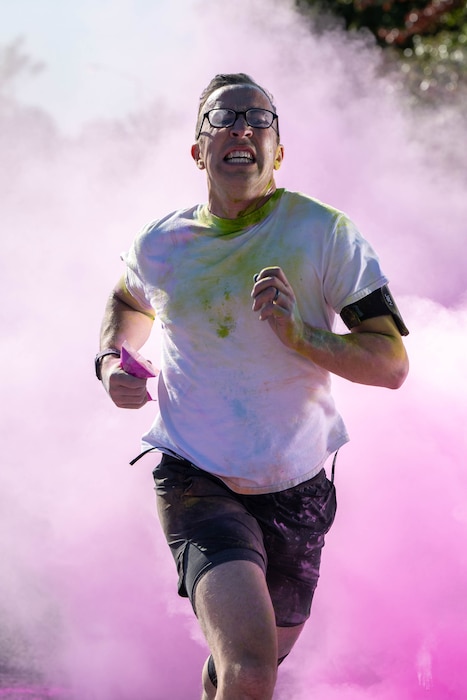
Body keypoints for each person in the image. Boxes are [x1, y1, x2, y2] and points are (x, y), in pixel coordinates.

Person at [96, 73, 409, 700]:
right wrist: (111, 361)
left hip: (297, 486)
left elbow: (391, 362)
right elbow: (127, 299)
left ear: (277, 150)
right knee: (250, 666)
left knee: (245, 667)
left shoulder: (325, 234)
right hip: (196, 477)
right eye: (223, 118)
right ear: (199, 150)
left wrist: (302, 337)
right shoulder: (160, 244)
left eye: (258, 118)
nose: (242, 127)